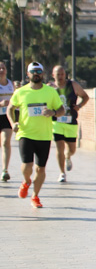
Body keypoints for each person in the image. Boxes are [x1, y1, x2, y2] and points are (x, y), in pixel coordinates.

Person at [9, 62, 66, 208]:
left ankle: (35, 196)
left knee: (41, 169)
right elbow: (10, 108)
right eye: (33, 71)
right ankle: (26, 181)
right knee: (27, 165)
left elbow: (61, 110)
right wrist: (13, 123)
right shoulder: (21, 92)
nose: (36, 74)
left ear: (43, 73)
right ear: (28, 74)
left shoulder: (50, 92)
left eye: (39, 71)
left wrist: (53, 113)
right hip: (25, 133)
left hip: (44, 136)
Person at [50, 65, 89, 183]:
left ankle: (68, 156)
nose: (60, 77)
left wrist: (79, 106)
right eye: (58, 74)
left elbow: (85, 97)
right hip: (56, 122)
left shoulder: (73, 85)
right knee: (59, 147)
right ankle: (62, 173)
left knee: (72, 149)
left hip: (71, 121)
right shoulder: (49, 88)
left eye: (62, 74)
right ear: (53, 75)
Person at [0, 61, 14, 182]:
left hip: (7, 117)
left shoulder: (11, 84)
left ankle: (5, 170)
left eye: (3, 68)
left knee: (5, 142)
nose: (1, 70)